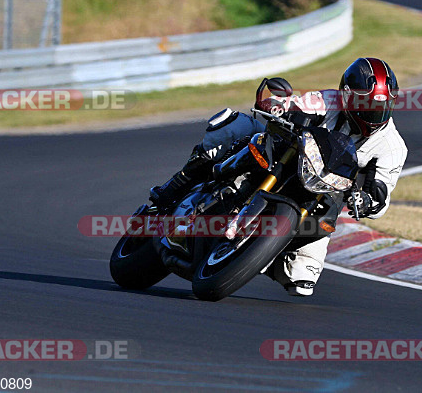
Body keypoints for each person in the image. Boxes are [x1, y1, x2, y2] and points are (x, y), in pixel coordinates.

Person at [149, 57, 408, 296]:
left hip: (321, 197)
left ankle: (257, 254)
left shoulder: (393, 147)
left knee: (302, 281)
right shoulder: (328, 100)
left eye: (382, 105)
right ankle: (175, 186)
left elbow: (382, 193)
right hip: (286, 159)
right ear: (347, 95)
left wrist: (368, 201)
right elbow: (294, 105)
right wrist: (278, 107)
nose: (374, 113)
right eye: (368, 104)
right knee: (232, 124)